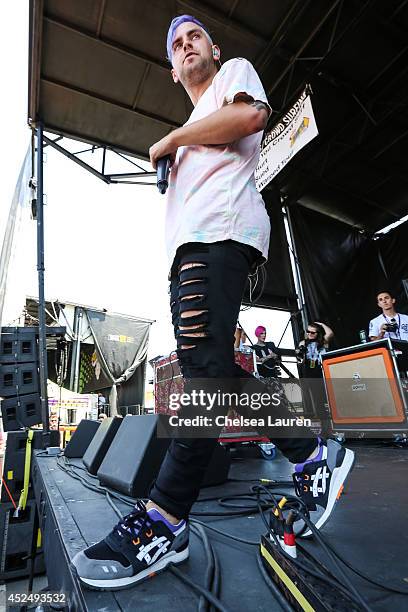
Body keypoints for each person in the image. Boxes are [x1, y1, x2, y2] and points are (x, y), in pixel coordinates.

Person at [72, 15, 355, 590]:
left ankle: (164, 517)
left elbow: (253, 117)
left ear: (212, 48)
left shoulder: (233, 77)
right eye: (175, 45)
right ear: (173, 70)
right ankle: (313, 453)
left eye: (193, 36)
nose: (185, 46)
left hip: (219, 241)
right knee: (216, 372)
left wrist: (172, 139)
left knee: (205, 376)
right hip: (191, 253)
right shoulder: (194, 121)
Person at [297, 322, 333, 419]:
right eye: (308, 331)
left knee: (327, 397)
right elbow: (299, 358)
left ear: (318, 333)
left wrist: (321, 324)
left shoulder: (322, 341)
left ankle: (331, 420)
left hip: (321, 370)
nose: (309, 334)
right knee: (316, 399)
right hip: (309, 372)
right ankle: (322, 424)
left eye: (312, 332)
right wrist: (300, 352)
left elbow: (330, 333)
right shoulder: (303, 342)